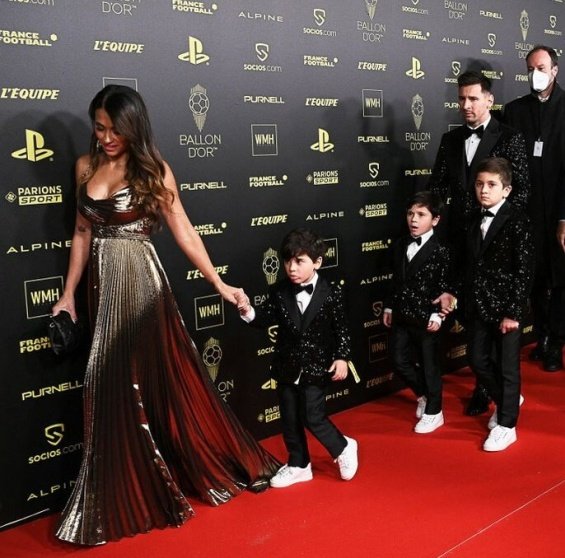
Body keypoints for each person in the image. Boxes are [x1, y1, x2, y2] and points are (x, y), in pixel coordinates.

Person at [51, 85, 281, 545]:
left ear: (134, 126)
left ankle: (154, 478)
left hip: (142, 286)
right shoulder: (85, 167)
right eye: (99, 127)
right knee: (108, 381)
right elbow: (81, 234)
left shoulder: (154, 171)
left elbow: (185, 232)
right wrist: (68, 296)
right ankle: (125, 485)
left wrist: (219, 283)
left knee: (152, 379)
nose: (107, 136)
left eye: (116, 128)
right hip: (103, 284)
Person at [428, 70, 530, 415]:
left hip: (498, 242)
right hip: (461, 240)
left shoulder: (510, 137)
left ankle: (496, 394)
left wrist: (497, 228)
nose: (466, 105)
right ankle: (486, 386)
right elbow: (438, 187)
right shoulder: (450, 140)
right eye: (461, 99)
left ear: (489, 99)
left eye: (473, 98)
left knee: (498, 328)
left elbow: (522, 191)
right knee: (473, 323)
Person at [235, 228, 358, 487]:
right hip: (287, 365)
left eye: (299, 261)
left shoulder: (331, 291)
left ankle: (343, 447)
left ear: (317, 262)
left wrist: (342, 357)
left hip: (317, 366)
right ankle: (299, 464)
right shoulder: (280, 291)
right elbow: (264, 318)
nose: (292, 267)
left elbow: (342, 329)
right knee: (289, 417)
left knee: (313, 416)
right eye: (287, 261)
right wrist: (247, 310)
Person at [465, 157, 534, 451]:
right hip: (479, 304)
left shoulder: (518, 220)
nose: (484, 190)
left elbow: (524, 270)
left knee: (508, 369)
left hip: (508, 307)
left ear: (506, 189)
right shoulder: (472, 218)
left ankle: (507, 425)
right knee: (477, 359)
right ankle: (508, 399)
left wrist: (513, 312)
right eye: (480, 184)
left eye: (491, 185)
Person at [504, 45, 565, 372]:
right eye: (529, 68)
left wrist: (564, 217)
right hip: (526, 212)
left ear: (554, 70)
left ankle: (556, 341)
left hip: (559, 210)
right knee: (536, 279)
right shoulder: (515, 110)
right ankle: (542, 337)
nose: (534, 74)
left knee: (561, 280)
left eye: (541, 67)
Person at [383, 191, 452, 434]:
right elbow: (395, 279)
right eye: (411, 213)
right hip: (402, 314)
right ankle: (423, 394)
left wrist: (439, 315)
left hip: (426, 318)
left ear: (435, 220)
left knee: (430, 365)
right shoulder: (401, 243)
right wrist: (390, 306)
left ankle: (435, 412)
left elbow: (446, 286)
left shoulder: (441, 250)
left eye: (421, 214)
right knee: (398, 359)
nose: (414, 219)